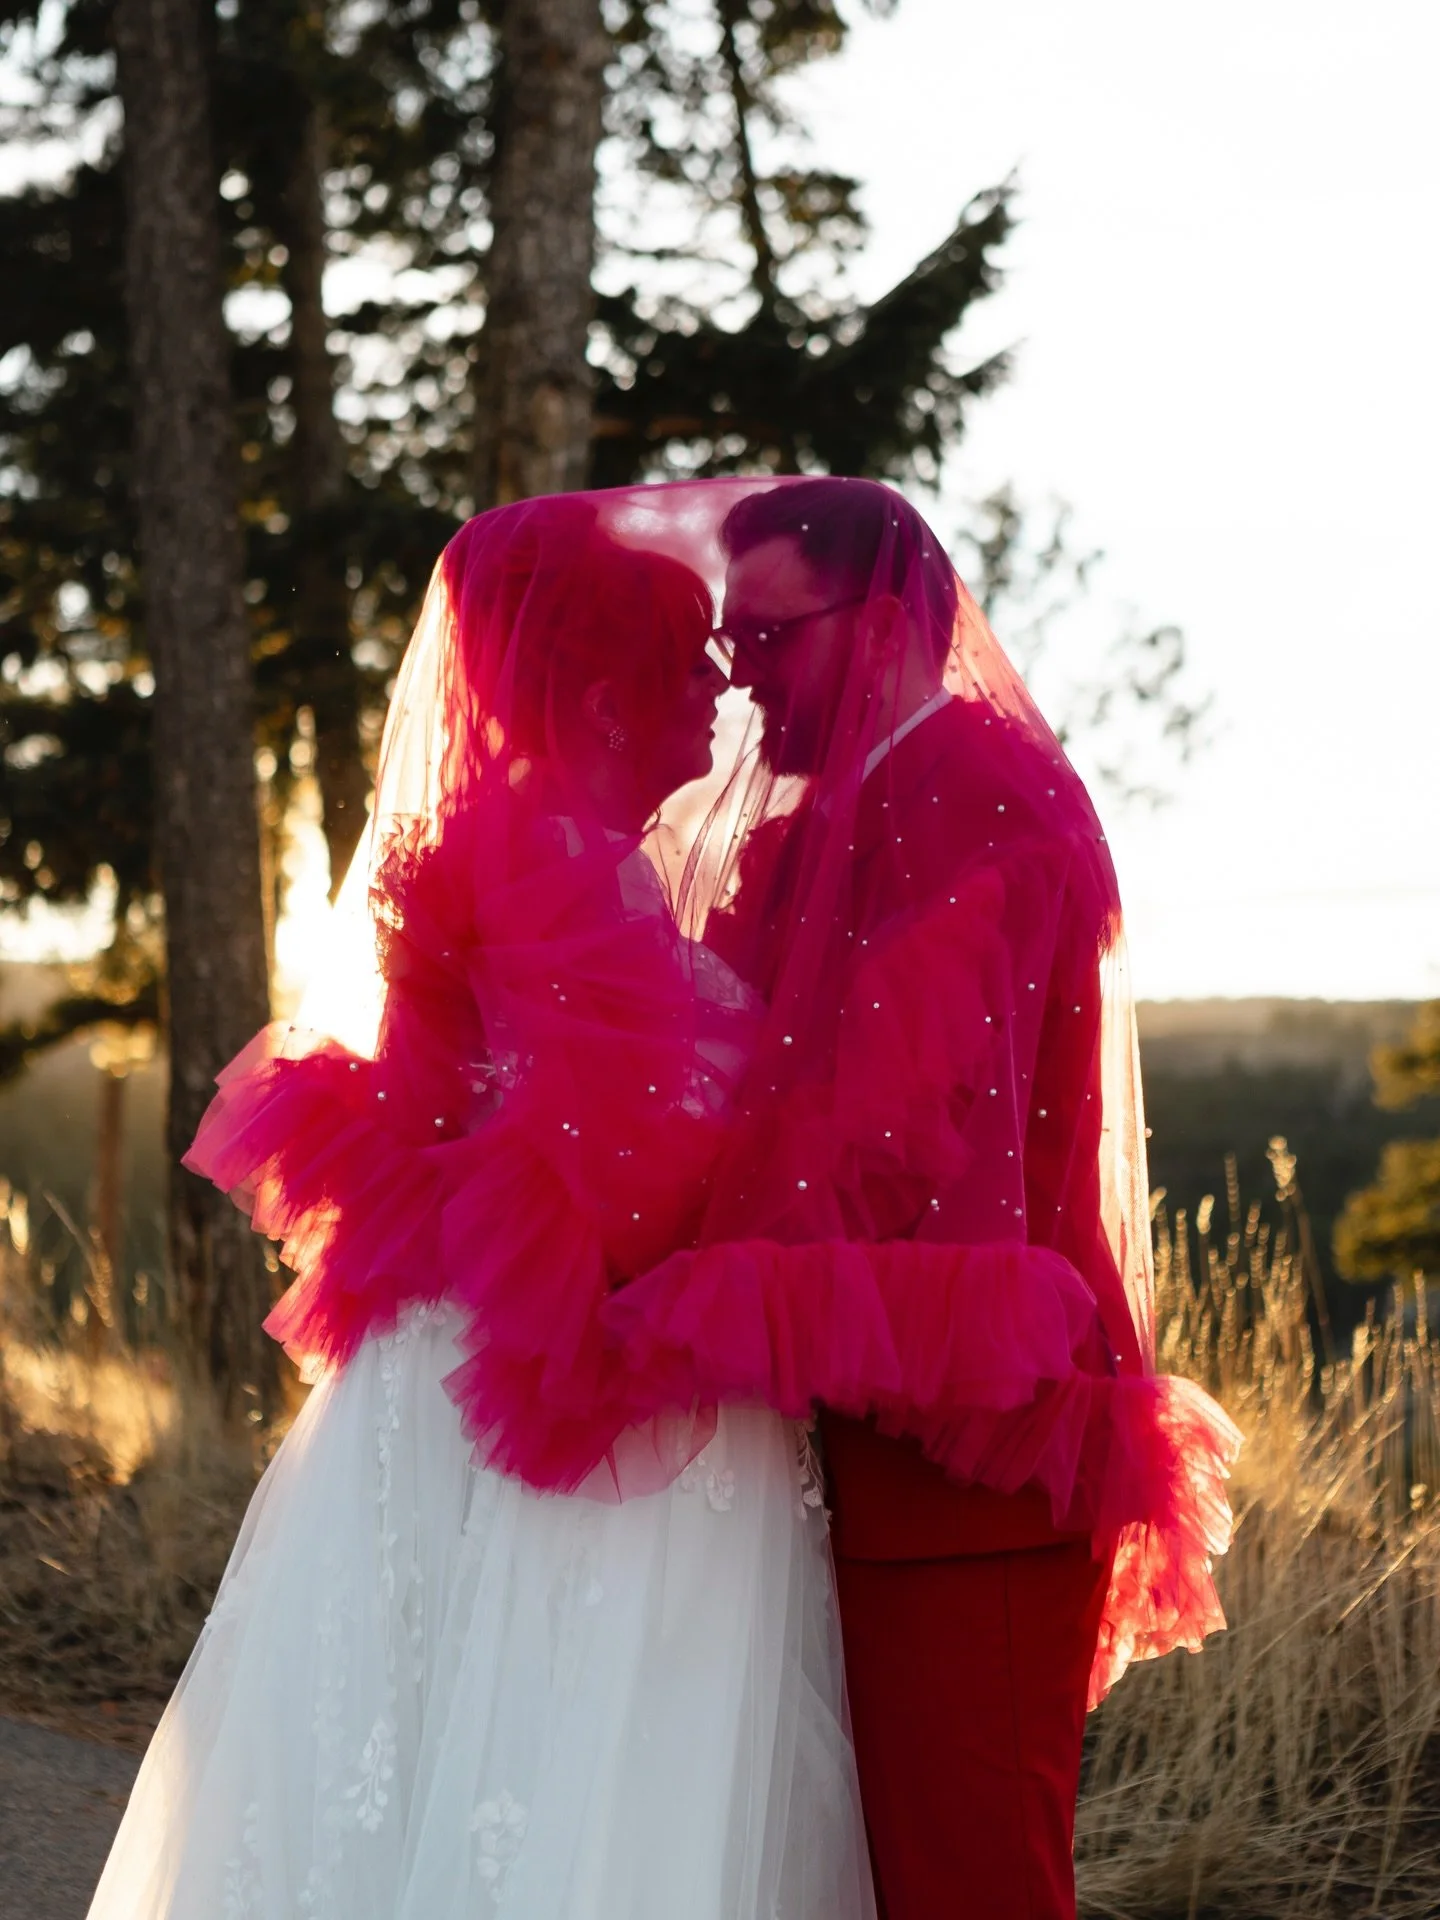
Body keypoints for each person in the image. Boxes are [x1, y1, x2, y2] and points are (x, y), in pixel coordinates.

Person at [86, 493, 875, 1920]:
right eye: (686, 663)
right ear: (597, 693)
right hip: (545, 1373)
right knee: (542, 1743)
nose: (717, 692)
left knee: (445, 1728)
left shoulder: (561, 851)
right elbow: (603, 1157)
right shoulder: (549, 863)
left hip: (459, 1367)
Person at [599, 477, 1242, 1920]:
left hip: (976, 1456)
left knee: (970, 1881)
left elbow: (881, 1121)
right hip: (878, 1436)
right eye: (732, 648)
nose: (742, 682)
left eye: (772, 639)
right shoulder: (867, 804)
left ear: (887, 618)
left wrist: (668, 1294)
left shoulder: (974, 796)